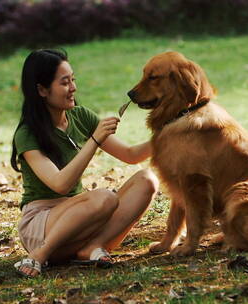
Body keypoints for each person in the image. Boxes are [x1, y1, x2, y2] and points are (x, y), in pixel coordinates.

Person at [10, 49, 159, 277]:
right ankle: (39, 255)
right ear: (41, 89)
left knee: (146, 179)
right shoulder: (27, 133)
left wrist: (168, 132)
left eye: (73, 80)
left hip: (82, 223)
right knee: (105, 197)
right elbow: (60, 185)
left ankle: (92, 247)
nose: (73, 88)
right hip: (42, 225)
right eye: (64, 83)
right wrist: (95, 140)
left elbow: (131, 155)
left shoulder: (80, 116)